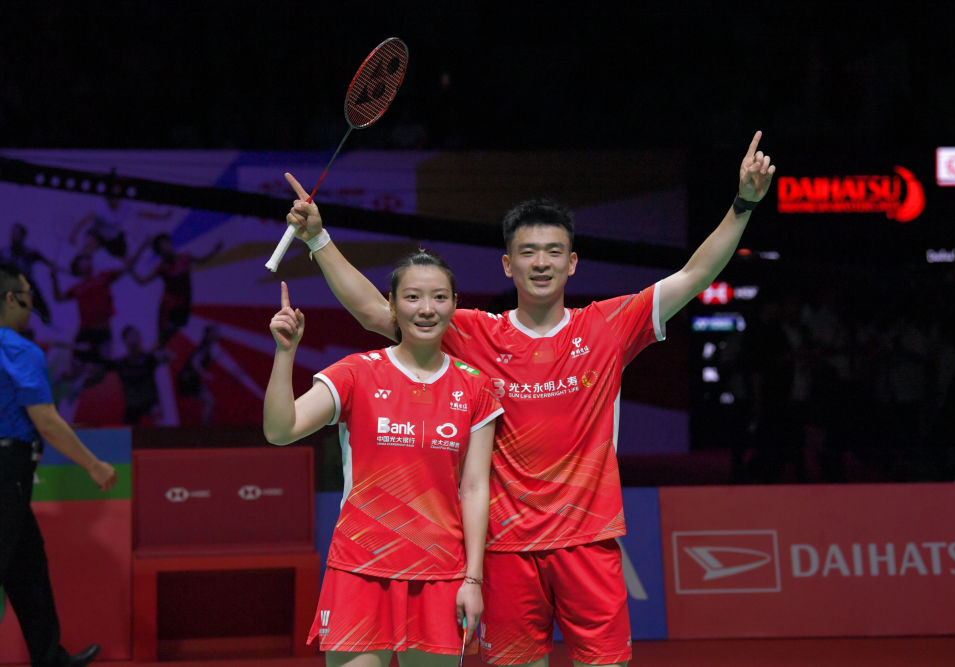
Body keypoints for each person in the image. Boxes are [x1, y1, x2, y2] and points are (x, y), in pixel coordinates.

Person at [282, 131, 776, 666]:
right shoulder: (474, 332)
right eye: (528, 253)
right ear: (507, 265)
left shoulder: (607, 326)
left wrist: (743, 204)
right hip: (505, 551)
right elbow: (377, 312)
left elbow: (695, 274)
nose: (541, 263)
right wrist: (318, 239)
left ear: (572, 263)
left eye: (554, 252)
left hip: (588, 541)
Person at [263, 251, 502, 666]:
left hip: (440, 573)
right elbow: (281, 430)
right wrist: (285, 353)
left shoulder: (475, 387)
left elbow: (475, 487)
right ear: (391, 304)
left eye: (439, 297)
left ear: (454, 303)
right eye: (412, 297)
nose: (426, 309)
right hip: (360, 567)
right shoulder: (356, 373)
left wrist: (473, 579)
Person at [0, 262, 118, 667]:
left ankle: (50, 659)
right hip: (6, 470)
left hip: (11, 476)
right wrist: (94, 465)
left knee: (27, 567)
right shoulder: (19, 349)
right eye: (28, 294)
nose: (33, 302)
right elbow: (47, 421)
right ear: (12, 299)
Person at [131, 233, 223, 348]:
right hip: (169, 308)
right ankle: (153, 353)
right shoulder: (162, 267)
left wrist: (215, 250)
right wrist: (131, 270)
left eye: (166, 243)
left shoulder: (185, 257)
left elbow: (202, 260)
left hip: (183, 305)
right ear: (160, 252)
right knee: (162, 340)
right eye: (162, 247)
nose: (166, 247)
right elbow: (142, 281)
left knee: (173, 338)